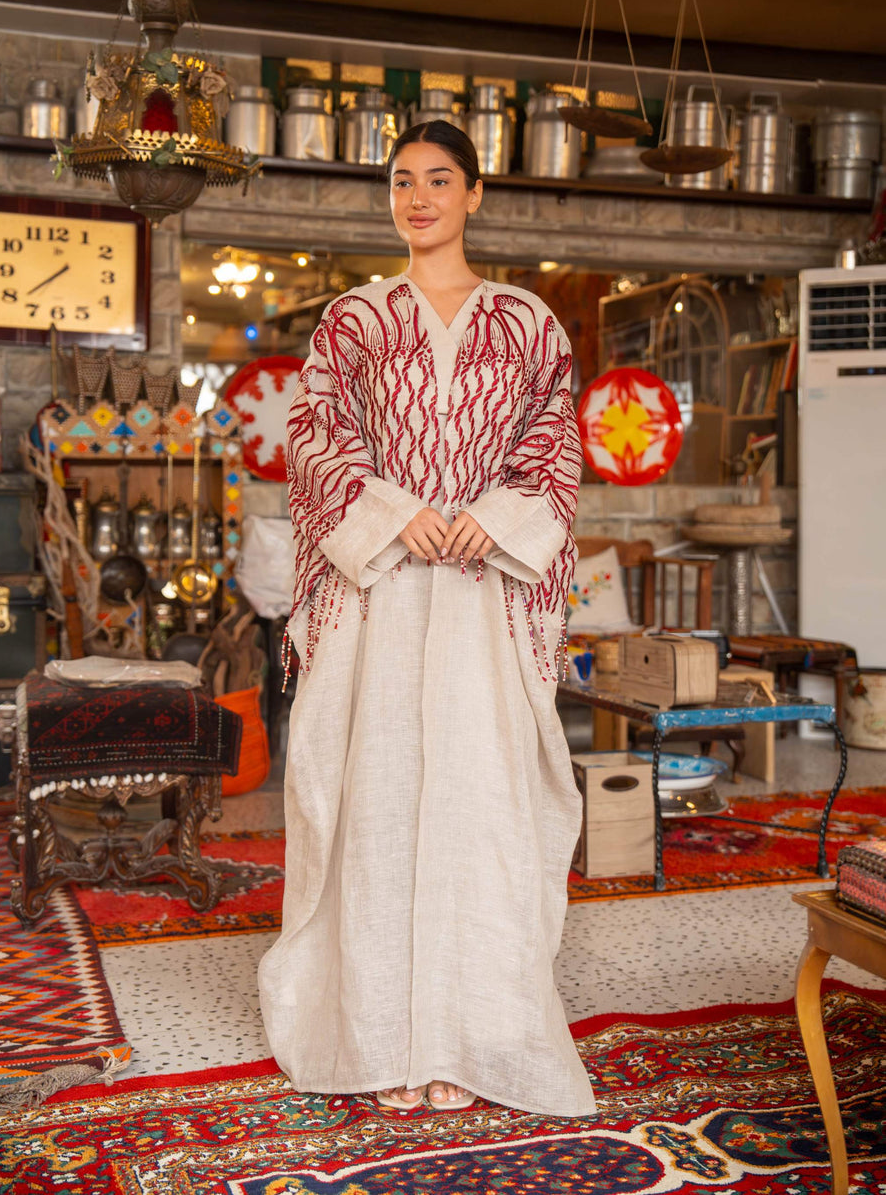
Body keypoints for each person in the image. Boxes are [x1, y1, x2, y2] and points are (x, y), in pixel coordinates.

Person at [258, 119, 596, 1118]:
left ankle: (470, 1038)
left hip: (486, 599)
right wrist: (408, 518)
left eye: (438, 180)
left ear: (474, 193)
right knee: (374, 804)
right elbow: (315, 443)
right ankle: (377, 1037)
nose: (418, 198)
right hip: (382, 596)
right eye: (402, 181)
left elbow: (556, 449)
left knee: (478, 810)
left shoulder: (529, 323)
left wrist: (481, 524)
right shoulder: (352, 323)